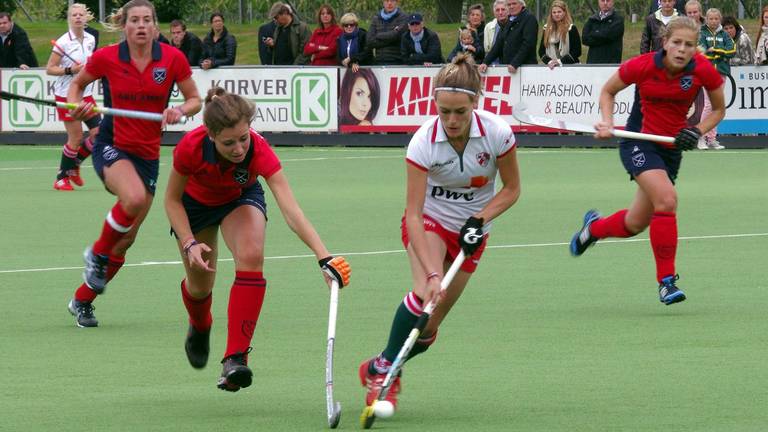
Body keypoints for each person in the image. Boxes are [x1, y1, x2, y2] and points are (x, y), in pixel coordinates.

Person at [358, 53, 521, 413]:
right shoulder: (422, 143)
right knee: (425, 293)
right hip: (429, 222)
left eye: (460, 112)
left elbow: (511, 189)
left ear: (475, 103)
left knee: (428, 331)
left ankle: (378, 363)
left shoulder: (497, 134)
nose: (451, 120)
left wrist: (479, 219)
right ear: (435, 104)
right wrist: (432, 272)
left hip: (474, 232)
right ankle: (386, 374)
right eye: (444, 110)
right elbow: (413, 214)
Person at [165, 87, 351, 392]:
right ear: (210, 135)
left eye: (243, 138)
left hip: (239, 198)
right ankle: (200, 324)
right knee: (200, 286)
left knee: (251, 255)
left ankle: (235, 358)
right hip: (194, 206)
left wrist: (323, 256)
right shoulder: (190, 147)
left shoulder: (259, 149)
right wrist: (188, 242)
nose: (239, 149)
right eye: (228, 143)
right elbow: (171, 200)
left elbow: (292, 211)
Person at [569, 17, 725, 306]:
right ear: (664, 43)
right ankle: (666, 282)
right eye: (676, 42)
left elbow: (718, 110)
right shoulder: (643, 65)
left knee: (635, 223)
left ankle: (593, 229)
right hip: (638, 141)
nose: (681, 49)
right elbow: (608, 91)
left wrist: (696, 130)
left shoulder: (703, 70)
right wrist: (606, 121)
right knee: (667, 200)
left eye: (688, 45)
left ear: (695, 49)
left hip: (671, 148)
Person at [64, 0, 202, 328]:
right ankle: (96, 255)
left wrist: (180, 111)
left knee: (125, 241)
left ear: (155, 27)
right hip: (112, 147)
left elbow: (195, 100)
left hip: (148, 155)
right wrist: (79, 107)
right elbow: (77, 86)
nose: (140, 26)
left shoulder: (172, 59)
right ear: (124, 26)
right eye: (134, 20)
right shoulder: (107, 58)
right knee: (134, 199)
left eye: (147, 20)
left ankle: (82, 300)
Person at [47, 3, 100, 192]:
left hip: (85, 94)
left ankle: (74, 165)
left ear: (85, 18)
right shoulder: (63, 42)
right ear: (70, 18)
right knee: (76, 138)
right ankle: (61, 177)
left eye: (81, 15)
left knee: (99, 134)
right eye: (74, 15)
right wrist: (71, 70)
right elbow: (50, 68)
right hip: (66, 96)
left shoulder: (91, 39)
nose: (78, 18)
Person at [698, 8, 733, 150]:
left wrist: (717, 51)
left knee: (717, 107)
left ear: (720, 19)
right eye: (711, 19)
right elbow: (702, 53)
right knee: (708, 105)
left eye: (716, 19)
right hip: (707, 74)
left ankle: (711, 138)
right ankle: (700, 136)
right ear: (706, 19)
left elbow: (731, 50)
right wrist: (717, 54)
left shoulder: (724, 34)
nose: (713, 21)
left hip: (721, 74)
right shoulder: (702, 33)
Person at [479, 0, 538, 74]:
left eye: (514, 4)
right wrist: (485, 62)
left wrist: (515, 63)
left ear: (522, 5)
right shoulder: (509, 20)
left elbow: (528, 44)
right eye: (509, 4)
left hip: (525, 68)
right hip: (508, 68)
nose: (511, 6)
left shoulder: (529, 18)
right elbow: (498, 45)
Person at [538, 0, 581, 68]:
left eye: (559, 12)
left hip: (571, 67)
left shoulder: (571, 28)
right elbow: (541, 51)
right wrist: (550, 62)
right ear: (551, 14)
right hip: (552, 68)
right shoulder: (546, 29)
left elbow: (577, 51)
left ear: (564, 13)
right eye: (554, 12)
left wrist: (559, 62)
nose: (556, 14)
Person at [582, 0, 624, 64]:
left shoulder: (618, 20)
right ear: (598, 2)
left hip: (611, 64)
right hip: (592, 63)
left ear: (613, 2)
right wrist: (602, 34)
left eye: (608, 0)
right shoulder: (592, 19)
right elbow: (585, 39)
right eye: (602, 0)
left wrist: (594, 34)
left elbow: (609, 36)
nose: (605, 3)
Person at [367, 0, 408, 65]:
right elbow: (369, 41)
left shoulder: (403, 17)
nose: (389, 3)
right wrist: (392, 36)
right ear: (383, 2)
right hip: (378, 61)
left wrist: (378, 35)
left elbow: (398, 35)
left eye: (392, 0)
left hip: (397, 61)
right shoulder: (376, 18)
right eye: (386, 1)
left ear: (396, 2)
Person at [482, 0, 509, 65]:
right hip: (492, 64)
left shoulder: (513, 25)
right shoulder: (488, 27)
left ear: (508, 11)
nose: (500, 12)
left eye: (503, 9)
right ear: (494, 13)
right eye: (497, 10)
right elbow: (487, 49)